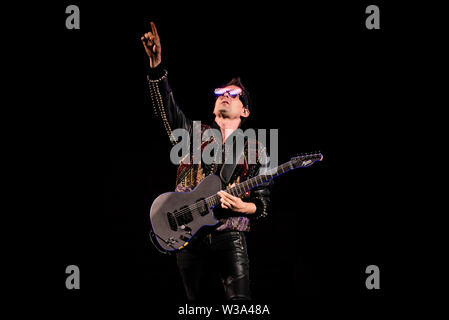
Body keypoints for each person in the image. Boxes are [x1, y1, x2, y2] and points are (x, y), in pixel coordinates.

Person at [142, 22, 271, 301]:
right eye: (220, 92)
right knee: (195, 306)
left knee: (240, 305)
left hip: (230, 237)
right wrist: (156, 67)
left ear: (245, 110)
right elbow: (166, 111)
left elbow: (263, 205)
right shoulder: (192, 134)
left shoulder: (255, 148)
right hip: (188, 234)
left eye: (233, 93)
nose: (225, 94)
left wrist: (245, 206)